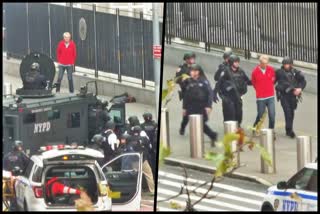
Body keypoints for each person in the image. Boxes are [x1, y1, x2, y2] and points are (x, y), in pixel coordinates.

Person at [180, 64, 218, 145]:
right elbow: (186, 95)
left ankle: (212, 135)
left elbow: (210, 93)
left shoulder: (203, 81)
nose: (192, 73)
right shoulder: (188, 81)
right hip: (191, 106)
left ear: (198, 72)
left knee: (201, 123)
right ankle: (210, 136)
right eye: (191, 71)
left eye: (194, 71)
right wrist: (184, 108)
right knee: (193, 122)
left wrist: (209, 106)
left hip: (201, 106)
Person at [213, 55, 251, 126]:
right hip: (228, 97)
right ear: (231, 63)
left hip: (238, 96)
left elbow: (247, 81)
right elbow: (219, 82)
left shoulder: (241, 71)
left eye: (238, 62)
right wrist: (214, 93)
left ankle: (237, 126)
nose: (237, 63)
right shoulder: (226, 71)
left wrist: (257, 82)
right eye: (235, 62)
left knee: (239, 114)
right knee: (230, 114)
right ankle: (229, 129)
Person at [275, 57, 306, 138]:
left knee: (291, 113)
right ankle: (290, 130)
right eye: (284, 64)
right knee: (287, 112)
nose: (286, 65)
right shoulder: (279, 72)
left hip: (292, 96)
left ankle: (288, 129)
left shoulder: (296, 72)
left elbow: (303, 81)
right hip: (283, 95)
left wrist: (300, 89)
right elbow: (272, 81)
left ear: (291, 64)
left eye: (287, 64)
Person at [251, 55, 276, 131]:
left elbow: (273, 80)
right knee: (260, 115)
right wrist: (259, 90)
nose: (265, 65)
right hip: (261, 98)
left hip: (270, 97)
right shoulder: (255, 72)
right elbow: (254, 83)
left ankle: (270, 131)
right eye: (263, 63)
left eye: (266, 63)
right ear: (260, 63)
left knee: (272, 115)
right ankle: (255, 127)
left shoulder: (271, 70)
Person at [127, 125, 154, 194]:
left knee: (135, 176)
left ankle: (136, 191)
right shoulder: (144, 138)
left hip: (134, 160)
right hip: (143, 159)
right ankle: (152, 190)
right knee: (149, 174)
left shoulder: (129, 138)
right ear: (140, 131)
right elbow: (150, 147)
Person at [140, 112, 158, 179]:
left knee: (147, 161)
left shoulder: (142, 126)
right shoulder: (155, 125)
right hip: (154, 146)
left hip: (146, 146)